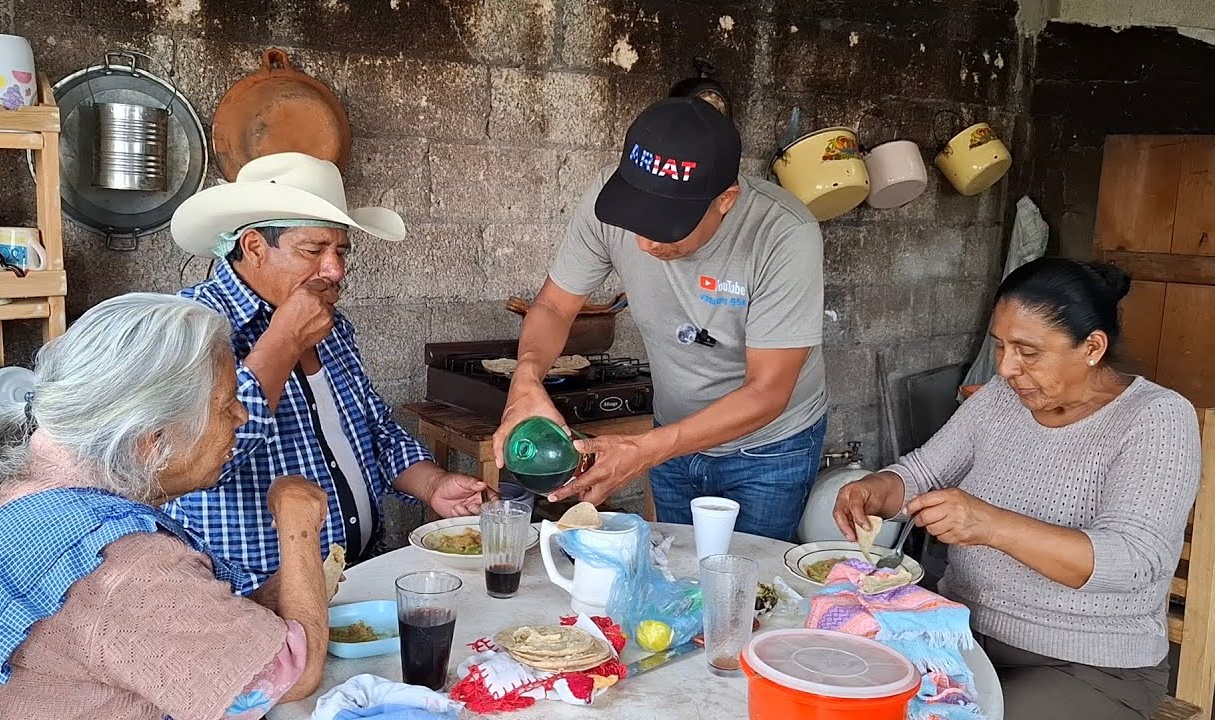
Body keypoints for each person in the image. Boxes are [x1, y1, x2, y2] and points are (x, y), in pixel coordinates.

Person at [833, 258, 1201, 720]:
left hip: (1089, 667)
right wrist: (874, 489)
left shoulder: (1156, 418)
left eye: (1028, 351)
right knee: (843, 688)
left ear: (1092, 346)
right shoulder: (1001, 399)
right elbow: (922, 473)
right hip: (959, 634)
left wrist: (987, 524)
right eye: (1001, 346)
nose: (1006, 367)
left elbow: (1131, 562)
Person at [0, 293, 330, 719]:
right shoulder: (119, 563)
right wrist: (298, 521)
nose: (242, 417)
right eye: (225, 405)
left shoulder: (1, 483)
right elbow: (286, 675)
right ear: (152, 439)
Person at [492, 97, 828, 542]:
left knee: (745, 589)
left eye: (668, 225)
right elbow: (554, 307)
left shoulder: (783, 234)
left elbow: (767, 391)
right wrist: (526, 379)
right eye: (637, 219)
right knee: (674, 577)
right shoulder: (603, 202)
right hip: (669, 433)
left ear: (725, 200)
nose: (646, 244)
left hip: (766, 449)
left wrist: (644, 450)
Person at [167, 152, 490, 594]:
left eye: (340, 251)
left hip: (356, 575)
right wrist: (283, 340)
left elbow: (370, 429)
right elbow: (202, 461)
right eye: (313, 250)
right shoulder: (191, 327)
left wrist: (433, 484)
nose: (334, 270)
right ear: (255, 247)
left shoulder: (332, 325)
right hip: (252, 596)